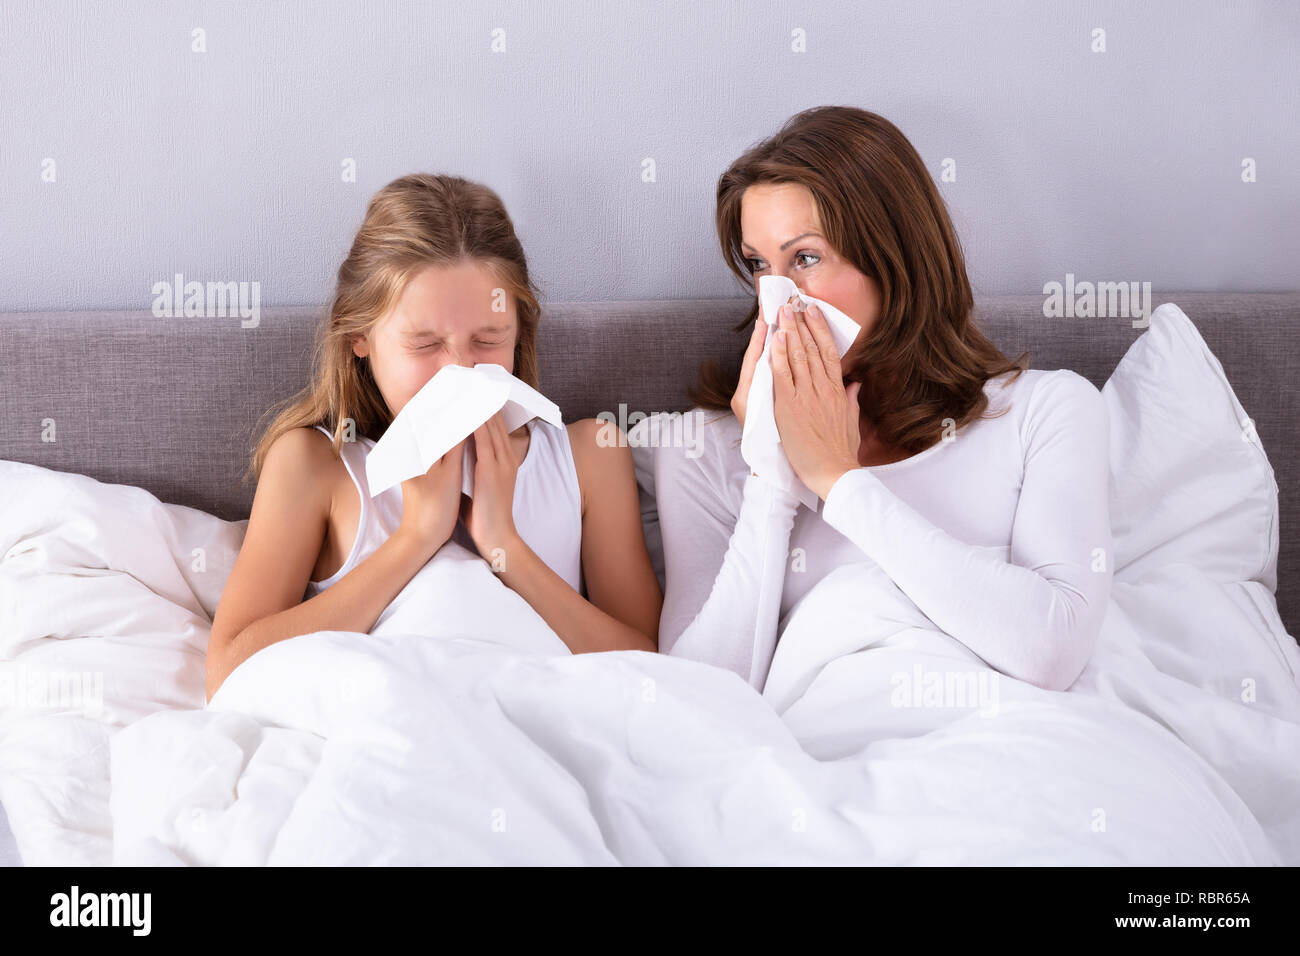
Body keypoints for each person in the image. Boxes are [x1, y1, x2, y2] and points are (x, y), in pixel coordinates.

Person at [652, 106, 1112, 694]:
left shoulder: (1046, 412)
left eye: (806, 258)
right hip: (823, 761)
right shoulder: (707, 449)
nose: (780, 300)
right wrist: (771, 476)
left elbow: (1052, 652)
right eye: (760, 266)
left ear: (896, 261)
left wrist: (838, 480)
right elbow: (696, 702)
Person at [206, 173, 661, 701]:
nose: (460, 371)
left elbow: (648, 672)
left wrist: (504, 546)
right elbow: (230, 673)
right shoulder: (317, 467)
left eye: (488, 340)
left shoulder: (589, 455)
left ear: (519, 334)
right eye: (425, 344)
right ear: (359, 337)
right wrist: (416, 536)